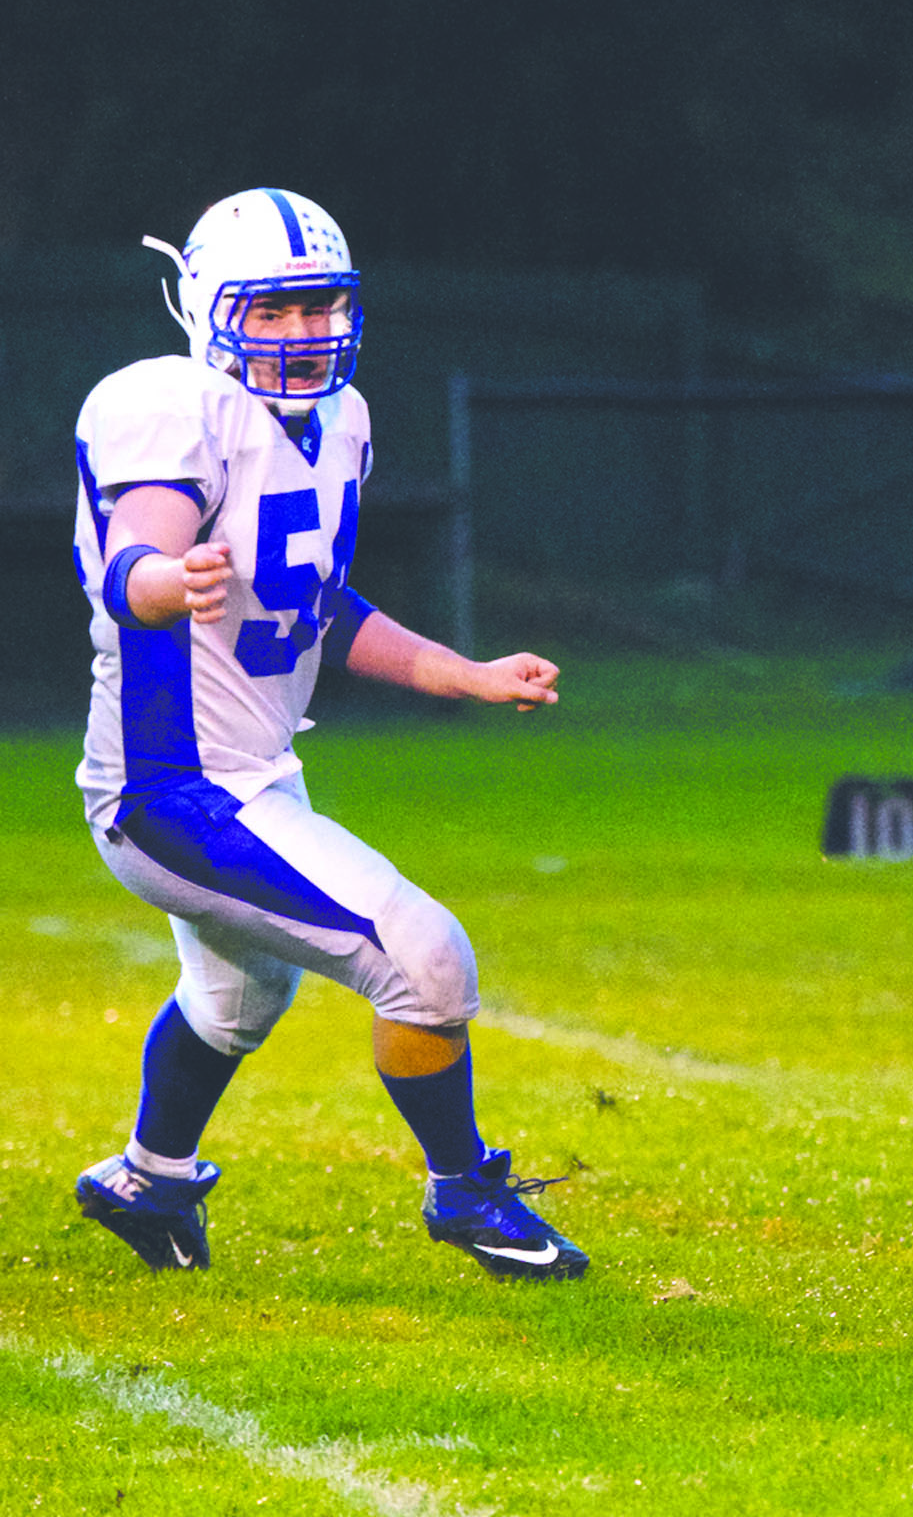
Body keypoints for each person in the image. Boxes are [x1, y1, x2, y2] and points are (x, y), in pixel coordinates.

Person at [70, 188, 588, 1280]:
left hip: (254, 773)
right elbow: (133, 560)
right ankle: (465, 1189)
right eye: (276, 310)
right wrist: (170, 579)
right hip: (167, 789)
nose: (306, 333)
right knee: (424, 957)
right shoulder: (169, 406)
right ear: (211, 307)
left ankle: (148, 1179)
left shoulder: (338, 419)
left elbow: (323, 603)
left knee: (240, 994)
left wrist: (463, 673)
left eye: (322, 307)